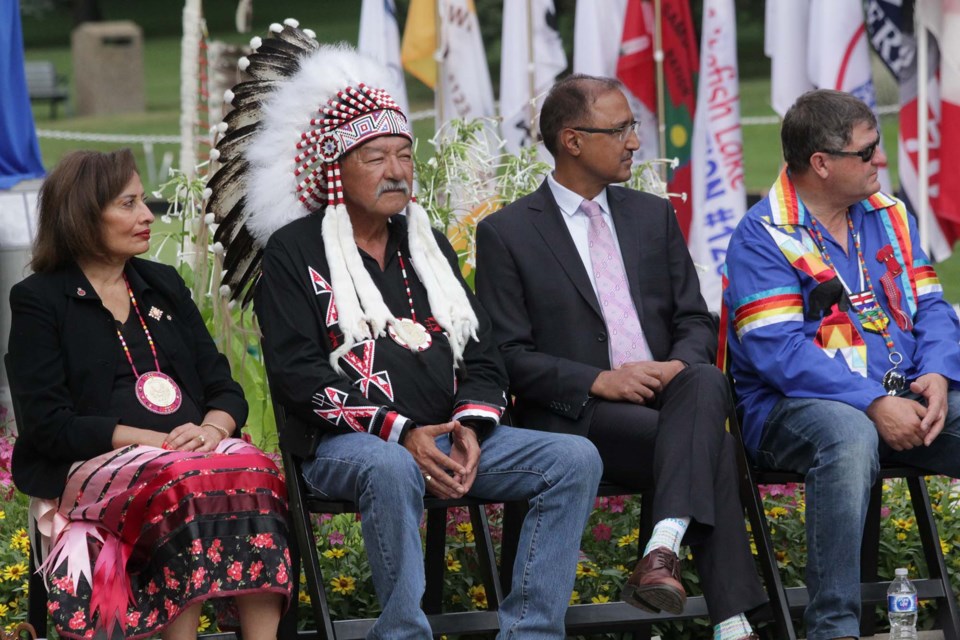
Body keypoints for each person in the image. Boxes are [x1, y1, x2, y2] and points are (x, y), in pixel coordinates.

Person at [215, 40, 602, 638]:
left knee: (572, 458)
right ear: (335, 169)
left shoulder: (426, 243)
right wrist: (401, 432)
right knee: (392, 467)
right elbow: (297, 377)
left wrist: (472, 427)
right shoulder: (294, 252)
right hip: (344, 446)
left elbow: (482, 351)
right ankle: (402, 632)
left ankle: (531, 631)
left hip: (449, 436)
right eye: (376, 157)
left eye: (404, 155)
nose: (397, 170)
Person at [475, 74, 767, 640]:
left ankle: (662, 552)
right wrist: (600, 381)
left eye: (633, 127)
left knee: (704, 379)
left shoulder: (649, 215)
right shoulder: (507, 233)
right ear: (572, 140)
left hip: (670, 398)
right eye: (621, 129)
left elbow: (693, 319)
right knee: (717, 444)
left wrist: (675, 366)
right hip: (576, 417)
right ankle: (729, 619)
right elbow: (506, 355)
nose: (635, 142)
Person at [7, 149, 291, 640]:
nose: (146, 216)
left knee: (256, 468)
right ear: (82, 215)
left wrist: (211, 428)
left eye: (143, 201)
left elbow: (222, 385)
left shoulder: (161, 285)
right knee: (178, 477)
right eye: (129, 203)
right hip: (92, 461)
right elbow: (48, 424)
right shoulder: (40, 300)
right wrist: (152, 441)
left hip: (186, 451)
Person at [723, 88, 960, 640]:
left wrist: (940, 375)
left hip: (905, 394)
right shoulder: (763, 235)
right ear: (822, 164)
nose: (882, 160)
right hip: (790, 410)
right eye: (869, 151)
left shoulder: (889, 212)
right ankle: (834, 628)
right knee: (849, 435)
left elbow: (931, 305)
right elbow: (778, 352)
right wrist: (874, 401)